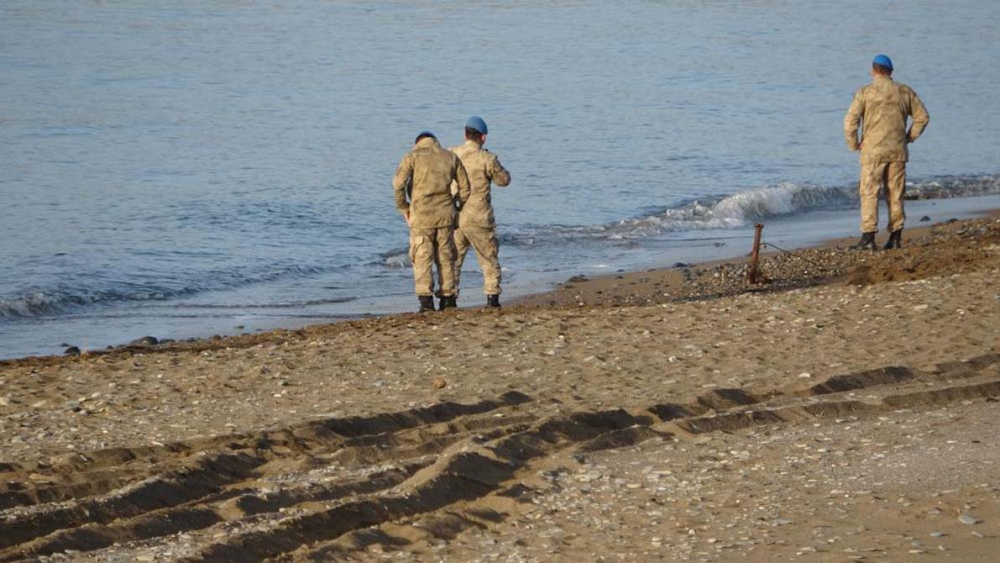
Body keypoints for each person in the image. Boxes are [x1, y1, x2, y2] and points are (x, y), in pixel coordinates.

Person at [844, 54, 929, 250]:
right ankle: (895, 236)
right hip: (897, 150)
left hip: (872, 152)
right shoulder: (904, 91)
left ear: (873, 70)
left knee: (869, 192)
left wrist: (854, 143)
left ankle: (868, 237)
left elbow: (850, 122)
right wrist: (909, 137)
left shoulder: (865, 92)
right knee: (895, 193)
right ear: (890, 72)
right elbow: (922, 117)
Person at [393, 131, 471, 312]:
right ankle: (448, 299)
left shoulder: (412, 157)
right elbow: (466, 188)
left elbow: (398, 185)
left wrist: (404, 208)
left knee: (422, 257)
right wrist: (456, 206)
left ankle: (426, 302)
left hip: (421, 216)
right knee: (446, 258)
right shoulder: (450, 157)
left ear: (417, 143)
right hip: (445, 215)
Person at [449, 116, 511, 307]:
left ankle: (449, 298)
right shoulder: (487, 158)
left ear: (465, 134)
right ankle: (492, 298)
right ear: (482, 137)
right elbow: (504, 181)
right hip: (479, 216)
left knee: (453, 260)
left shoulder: (452, 154)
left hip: (456, 215)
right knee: (488, 259)